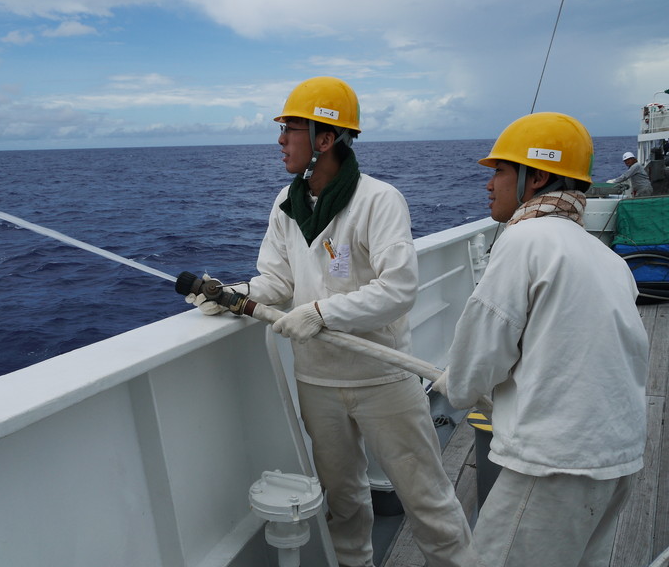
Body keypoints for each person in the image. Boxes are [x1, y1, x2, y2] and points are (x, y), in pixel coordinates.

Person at [188, 76, 477, 567]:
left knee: (426, 498)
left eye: (290, 129)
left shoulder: (378, 200)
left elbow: (398, 288)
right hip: (316, 381)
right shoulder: (286, 205)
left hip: (382, 378)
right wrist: (234, 295)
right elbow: (277, 280)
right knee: (342, 502)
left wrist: (321, 312)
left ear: (325, 139)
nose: (280, 140)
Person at [433, 112, 649, 567]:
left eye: (500, 170)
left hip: (555, 463)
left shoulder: (524, 239)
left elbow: (478, 357)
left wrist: (457, 384)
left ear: (537, 177)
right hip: (616, 458)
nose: (489, 183)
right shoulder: (607, 259)